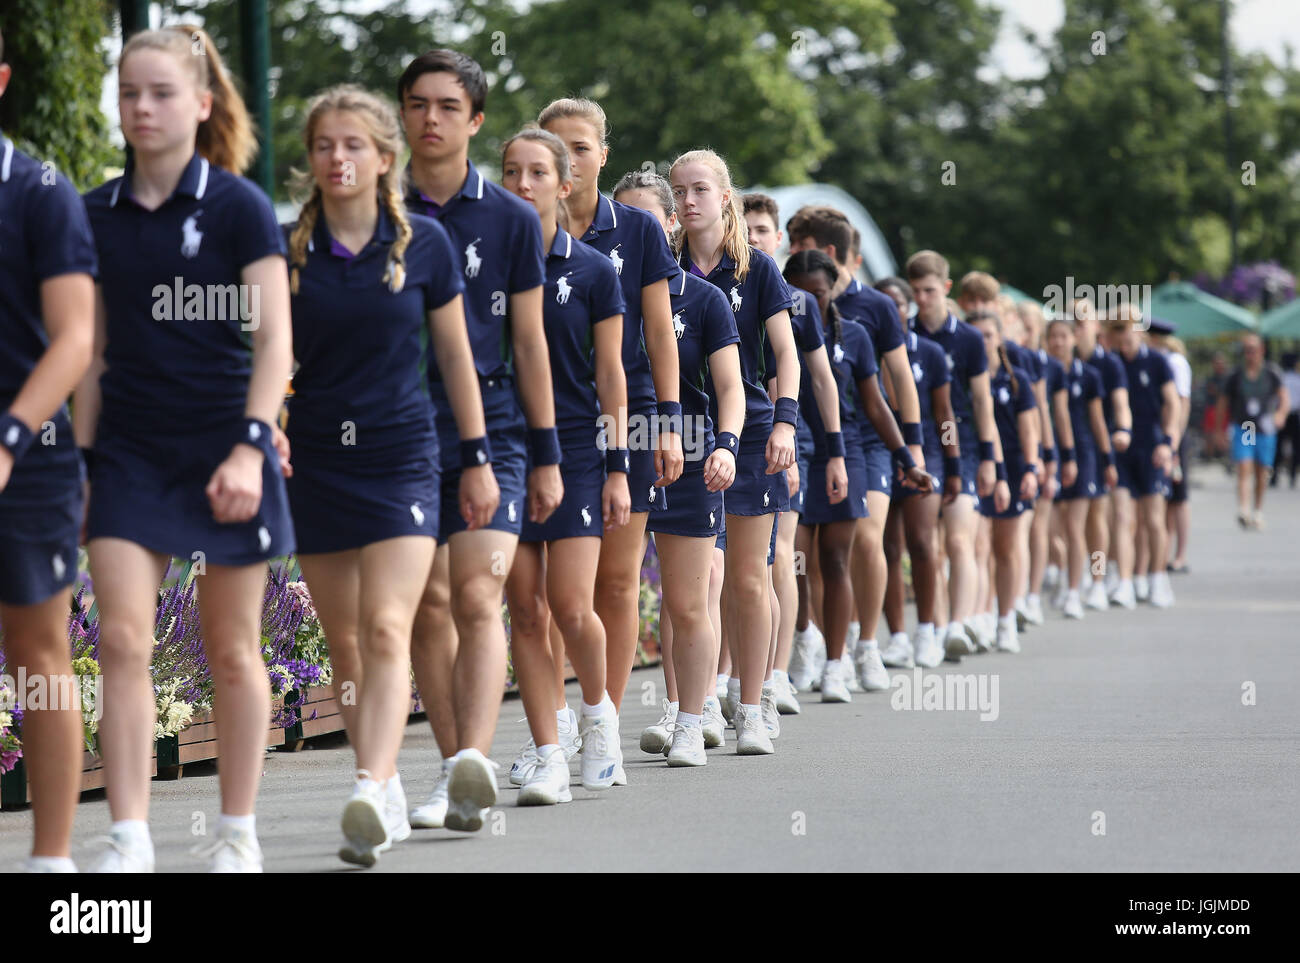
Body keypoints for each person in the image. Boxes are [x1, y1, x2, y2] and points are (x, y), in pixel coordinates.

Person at [77, 25, 295, 872]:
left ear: (201, 104)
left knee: (232, 646)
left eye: (161, 92)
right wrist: (90, 464)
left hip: (224, 447)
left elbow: (275, 340)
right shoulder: (90, 211)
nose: (141, 107)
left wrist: (248, 448)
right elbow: (89, 356)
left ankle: (237, 830)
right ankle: (129, 836)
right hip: (128, 454)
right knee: (124, 642)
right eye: (129, 92)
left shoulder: (238, 205)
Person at [282, 86, 496, 864]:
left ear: (383, 158)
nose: (336, 159)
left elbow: (455, 360)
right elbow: (270, 357)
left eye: (352, 146)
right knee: (345, 643)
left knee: (385, 627)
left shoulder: (426, 247)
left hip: (405, 456)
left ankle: (369, 785)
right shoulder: (288, 251)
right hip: (316, 462)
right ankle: (387, 786)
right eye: (322, 147)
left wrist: (475, 458)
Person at [399, 50, 562, 833]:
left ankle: (474, 763)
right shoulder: (378, 208)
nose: (430, 119)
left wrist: (547, 453)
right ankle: (448, 764)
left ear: (475, 120)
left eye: (447, 106)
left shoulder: (510, 218)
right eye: (417, 104)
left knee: (475, 592)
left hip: (493, 425)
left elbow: (528, 343)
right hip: (398, 426)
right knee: (427, 603)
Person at [537, 102, 683, 780]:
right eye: (557, 146)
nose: (570, 157)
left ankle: (607, 726)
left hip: (628, 411)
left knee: (616, 582)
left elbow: (659, 333)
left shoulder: (639, 231)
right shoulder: (523, 226)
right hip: (548, 420)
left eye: (582, 145)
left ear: (601, 152)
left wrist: (671, 419)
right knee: (552, 593)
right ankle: (557, 727)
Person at [494, 127, 631, 803]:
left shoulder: (595, 270)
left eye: (537, 173)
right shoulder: (481, 264)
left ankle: (598, 719)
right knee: (524, 608)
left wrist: (617, 466)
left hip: (578, 449)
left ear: (564, 183)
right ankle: (549, 749)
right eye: (511, 172)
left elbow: (611, 373)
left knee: (572, 604)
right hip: (504, 449)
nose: (523, 185)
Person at [0, 26, 97, 872]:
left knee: (39, 655)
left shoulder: (39, 191)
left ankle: (52, 861)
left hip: (27, 459)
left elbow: (73, 339)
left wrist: (7, 439)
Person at [670, 149, 804, 755]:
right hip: (678, 431)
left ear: (725, 196)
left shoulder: (758, 269)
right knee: (699, 581)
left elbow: (786, 355)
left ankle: (752, 705)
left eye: (700, 188)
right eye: (679, 191)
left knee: (749, 577)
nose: (687, 200)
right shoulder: (662, 265)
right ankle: (691, 712)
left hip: (748, 429)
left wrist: (785, 425)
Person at [613, 169, 745, 766]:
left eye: (644, 218)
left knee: (689, 600)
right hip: (615, 447)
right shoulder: (595, 286)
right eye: (622, 218)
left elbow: (730, 387)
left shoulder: (706, 298)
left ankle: (691, 718)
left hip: (688, 452)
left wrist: (725, 443)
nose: (630, 231)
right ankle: (592, 730)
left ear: (667, 224)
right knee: (605, 593)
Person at [787, 208, 926, 680]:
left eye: (796, 242)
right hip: (799, 444)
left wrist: (912, 451)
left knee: (861, 543)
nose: (811, 301)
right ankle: (816, 639)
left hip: (858, 443)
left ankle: (863, 645)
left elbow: (888, 392)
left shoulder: (869, 317)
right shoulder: (780, 317)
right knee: (799, 557)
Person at [904, 251, 1008, 660]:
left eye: (929, 291)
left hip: (960, 440)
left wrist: (989, 460)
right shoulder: (906, 332)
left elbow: (983, 401)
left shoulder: (967, 337)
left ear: (946, 289)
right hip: (921, 440)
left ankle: (958, 624)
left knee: (961, 536)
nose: (922, 299)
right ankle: (934, 624)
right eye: (916, 292)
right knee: (928, 541)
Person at [876, 277, 962, 670]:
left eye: (899, 304)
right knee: (887, 548)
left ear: (908, 309)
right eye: (885, 304)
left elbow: (945, 415)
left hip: (923, 453)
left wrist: (953, 463)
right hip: (877, 452)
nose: (893, 311)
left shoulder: (928, 352)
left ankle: (927, 630)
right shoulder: (865, 346)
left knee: (923, 543)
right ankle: (895, 636)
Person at [743, 192, 802, 717]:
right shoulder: (683, 266)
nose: (753, 235)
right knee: (712, 568)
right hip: (705, 426)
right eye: (747, 226)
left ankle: (773, 675)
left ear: (776, 237)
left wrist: (790, 433)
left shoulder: (773, 283)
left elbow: (798, 371)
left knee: (773, 557)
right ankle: (718, 684)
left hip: (767, 426)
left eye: (762, 228)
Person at [966, 310, 1039, 652]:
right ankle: (978, 616)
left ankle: (1006, 618)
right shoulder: (964, 377)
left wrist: (1031, 467)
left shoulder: (1017, 379)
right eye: (975, 336)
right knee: (979, 545)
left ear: (999, 340)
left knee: (1006, 548)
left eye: (988, 336)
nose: (982, 342)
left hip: (1012, 464)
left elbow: (1029, 428)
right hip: (979, 465)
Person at [1105, 307, 1179, 609]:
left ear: (1138, 329)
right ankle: (1124, 581)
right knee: (1123, 517)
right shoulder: (1112, 364)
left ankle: (1157, 577)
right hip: (1122, 449)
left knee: (1153, 519)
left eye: (1125, 327)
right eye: (1115, 328)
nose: (1121, 334)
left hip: (1152, 447)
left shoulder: (1157, 361)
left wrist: (1169, 443)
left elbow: (1172, 404)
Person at [1046, 318, 1114, 620]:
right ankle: (1067, 575)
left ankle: (1090, 583)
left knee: (1083, 524)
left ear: (1074, 338)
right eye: (1053, 337)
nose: (1058, 342)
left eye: (1064, 336)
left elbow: (1098, 421)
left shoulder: (1089, 375)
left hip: (1084, 453)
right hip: (1053, 453)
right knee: (1055, 526)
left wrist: (1108, 458)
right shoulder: (1042, 373)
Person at [1018, 300, 1075, 624]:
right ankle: (1012, 595)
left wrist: (1054, 455)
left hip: (1037, 447)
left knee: (1038, 526)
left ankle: (1033, 594)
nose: (1024, 335)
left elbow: (1052, 413)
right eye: (1020, 327)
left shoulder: (1046, 366)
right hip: (1007, 449)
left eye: (1029, 328)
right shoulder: (1006, 358)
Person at [1218, 333, 1289, 529]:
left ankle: (1257, 510)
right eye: (1246, 351)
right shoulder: (1235, 375)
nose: (1250, 354)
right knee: (1244, 466)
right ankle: (1243, 509)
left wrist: (1280, 415)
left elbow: (1284, 397)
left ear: (1261, 351)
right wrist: (1218, 430)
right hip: (1245, 427)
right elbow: (1222, 403)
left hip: (1265, 428)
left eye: (1253, 350)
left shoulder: (1271, 372)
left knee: (1261, 471)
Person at [1147, 321, 1192, 572]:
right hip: (1159, 434)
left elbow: (1182, 404)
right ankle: (1161, 554)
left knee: (1178, 496)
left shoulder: (1174, 362)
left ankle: (1180, 555)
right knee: (1163, 497)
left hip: (1173, 435)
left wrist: (1174, 442)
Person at [1274, 353, 1300, 488]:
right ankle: (1292, 477)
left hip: (1281, 415)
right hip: (1292, 415)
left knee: (1278, 447)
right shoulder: (1297, 379)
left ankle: (1274, 476)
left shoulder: (1281, 378)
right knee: (1295, 447)